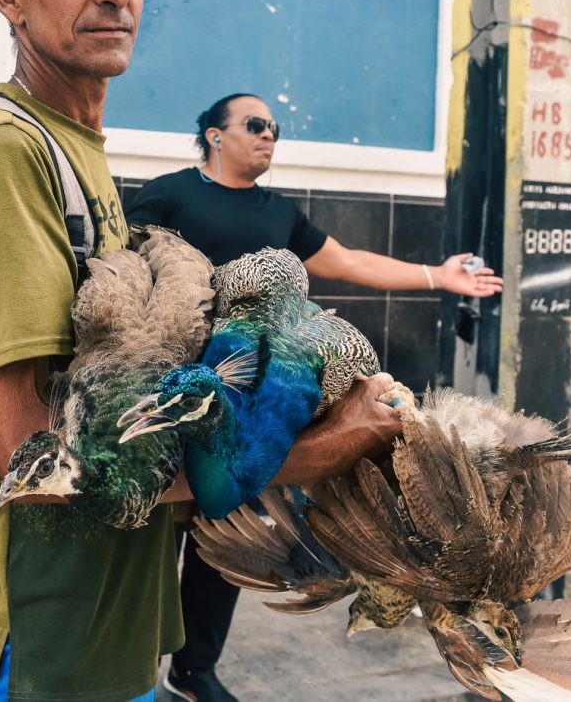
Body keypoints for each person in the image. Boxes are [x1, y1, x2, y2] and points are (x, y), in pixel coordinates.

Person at [0, 0, 403, 702]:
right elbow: (39, 463)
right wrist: (318, 450)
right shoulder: (4, 154)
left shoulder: (84, 156)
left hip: (114, 626)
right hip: (45, 642)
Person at [126, 92, 503, 702]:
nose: (268, 135)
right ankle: (131, 666)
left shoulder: (279, 213)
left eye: (274, 127)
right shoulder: (170, 194)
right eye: (254, 124)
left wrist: (440, 276)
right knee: (148, 540)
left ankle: (194, 671)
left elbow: (350, 261)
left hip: (256, 410)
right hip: (174, 395)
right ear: (214, 135)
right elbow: (131, 271)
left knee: (226, 538)